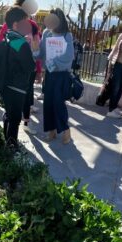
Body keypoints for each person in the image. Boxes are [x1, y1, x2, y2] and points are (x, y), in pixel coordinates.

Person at [0, 0, 42, 134]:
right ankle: (11, 145)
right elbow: (29, 63)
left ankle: (8, 139)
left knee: (10, 112)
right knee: (16, 116)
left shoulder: (8, 34)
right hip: (18, 82)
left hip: (7, 79)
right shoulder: (18, 40)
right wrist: (32, 52)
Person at [34, 9, 75, 144]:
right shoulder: (46, 33)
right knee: (48, 103)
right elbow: (41, 53)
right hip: (50, 75)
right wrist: (33, 52)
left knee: (58, 103)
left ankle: (65, 130)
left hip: (62, 75)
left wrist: (53, 62)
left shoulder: (67, 35)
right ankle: (51, 131)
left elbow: (69, 56)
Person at [0, 7, 35, 151]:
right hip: (17, 87)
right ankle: (11, 147)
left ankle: (6, 141)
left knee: (9, 115)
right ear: (15, 24)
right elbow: (29, 66)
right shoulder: (20, 43)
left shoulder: (7, 37)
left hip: (5, 84)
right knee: (15, 118)